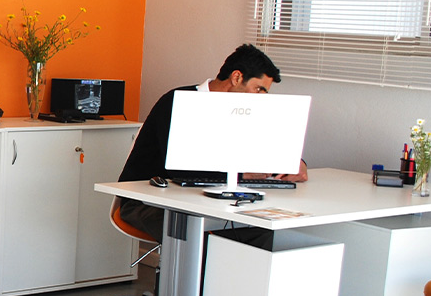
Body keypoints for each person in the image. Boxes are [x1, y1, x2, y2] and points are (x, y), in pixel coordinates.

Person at [117, 44, 308, 241]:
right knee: (201, 238)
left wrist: (294, 163)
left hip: (209, 200)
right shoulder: (178, 102)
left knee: (263, 232)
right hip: (148, 200)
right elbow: (179, 169)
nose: (262, 98)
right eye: (258, 89)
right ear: (236, 77)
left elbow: (270, 147)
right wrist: (239, 174)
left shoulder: (245, 110)